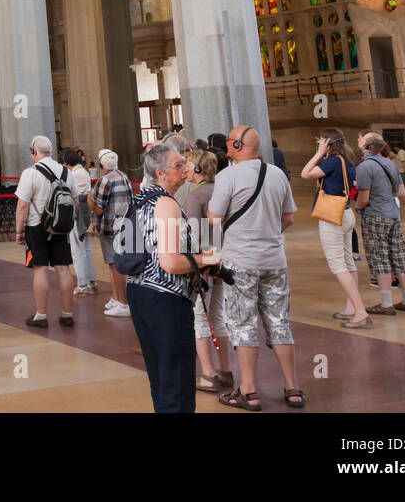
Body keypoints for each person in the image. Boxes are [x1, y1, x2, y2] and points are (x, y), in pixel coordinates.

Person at [210, 126, 303, 410]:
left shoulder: (227, 176)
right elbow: (287, 218)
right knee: (279, 323)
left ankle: (248, 391)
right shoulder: (276, 174)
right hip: (275, 260)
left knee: (243, 324)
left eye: (228, 141)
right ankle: (292, 388)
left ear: (237, 145)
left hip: (240, 262)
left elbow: (214, 219)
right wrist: (267, 234)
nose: (226, 145)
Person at [125, 142, 222, 413]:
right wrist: (205, 260)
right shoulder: (165, 203)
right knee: (176, 380)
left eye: (184, 163)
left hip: (140, 291)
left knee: (162, 378)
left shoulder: (141, 199)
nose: (185, 168)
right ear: (160, 173)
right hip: (165, 299)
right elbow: (170, 262)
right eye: (178, 165)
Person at [300, 131, 369, 328]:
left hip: (332, 217)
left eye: (320, 142)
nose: (318, 146)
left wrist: (318, 154)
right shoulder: (347, 162)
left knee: (338, 265)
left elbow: (305, 173)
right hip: (346, 213)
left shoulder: (332, 161)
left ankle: (360, 311)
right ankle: (351, 307)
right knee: (348, 262)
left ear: (328, 143)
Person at [183, 150, 233, 392]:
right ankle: (225, 371)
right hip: (222, 261)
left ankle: (207, 374)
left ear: (198, 170)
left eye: (188, 165)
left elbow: (193, 234)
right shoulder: (220, 191)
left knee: (199, 321)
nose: (185, 169)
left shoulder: (196, 196)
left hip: (204, 263)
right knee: (218, 318)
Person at [16, 136, 75, 328]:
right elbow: (75, 201)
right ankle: (67, 314)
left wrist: (19, 230)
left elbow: (23, 205)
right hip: (60, 227)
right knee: (63, 268)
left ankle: (41, 316)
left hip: (36, 226)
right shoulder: (66, 172)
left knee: (40, 268)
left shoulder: (30, 173)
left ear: (34, 152)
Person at [354, 131, 405, 316]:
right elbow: (401, 193)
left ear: (367, 147)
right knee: (399, 256)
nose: (359, 140)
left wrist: (358, 207)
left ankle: (386, 303)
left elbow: (363, 199)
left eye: (362, 139)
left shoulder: (365, 167)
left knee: (379, 258)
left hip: (375, 215)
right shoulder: (390, 163)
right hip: (393, 214)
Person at [90, 148, 133, 316]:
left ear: (101, 164)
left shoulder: (105, 180)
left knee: (115, 265)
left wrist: (89, 200)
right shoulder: (124, 176)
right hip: (126, 223)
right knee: (114, 263)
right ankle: (116, 298)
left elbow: (99, 209)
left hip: (110, 227)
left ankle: (123, 303)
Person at [63, 148, 99, 296]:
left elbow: (72, 195)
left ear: (66, 162)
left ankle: (82, 284)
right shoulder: (82, 171)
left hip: (77, 213)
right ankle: (91, 282)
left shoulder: (75, 174)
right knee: (86, 250)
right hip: (85, 212)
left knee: (77, 251)